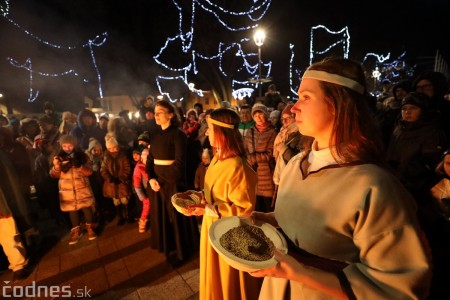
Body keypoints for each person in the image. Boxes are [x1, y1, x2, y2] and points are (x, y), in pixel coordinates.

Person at [247, 57, 432, 299]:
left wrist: (301, 272)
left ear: (337, 104)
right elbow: (317, 223)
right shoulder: (295, 164)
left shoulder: (374, 187)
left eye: (306, 97)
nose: (293, 108)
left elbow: (400, 287)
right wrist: (271, 219)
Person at [179, 107, 262, 300]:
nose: (206, 132)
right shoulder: (217, 158)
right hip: (213, 227)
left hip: (229, 234)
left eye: (210, 128)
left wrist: (208, 208)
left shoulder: (238, 167)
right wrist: (199, 196)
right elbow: (215, 192)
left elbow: (244, 210)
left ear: (222, 133)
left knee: (228, 281)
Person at [145, 100, 199, 266]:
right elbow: (150, 159)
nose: (156, 115)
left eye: (160, 111)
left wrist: (162, 177)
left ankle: (182, 251)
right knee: (162, 216)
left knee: (176, 217)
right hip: (157, 183)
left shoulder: (178, 135)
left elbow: (180, 164)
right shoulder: (153, 135)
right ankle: (168, 246)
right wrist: (151, 178)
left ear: (170, 114)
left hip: (173, 183)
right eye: (155, 112)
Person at [50, 134, 97, 245]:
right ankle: (76, 230)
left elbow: (90, 171)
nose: (67, 148)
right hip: (67, 191)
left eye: (70, 145)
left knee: (86, 208)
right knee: (72, 211)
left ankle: (90, 228)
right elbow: (53, 175)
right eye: (64, 146)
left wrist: (80, 167)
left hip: (82, 188)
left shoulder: (82, 156)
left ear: (74, 145)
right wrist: (56, 167)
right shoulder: (58, 157)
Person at [244, 103, 277, 213]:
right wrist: (248, 158)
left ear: (266, 115)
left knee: (268, 207)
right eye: (255, 115)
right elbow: (245, 149)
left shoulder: (272, 132)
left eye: (260, 114)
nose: (258, 118)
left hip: (267, 173)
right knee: (256, 207)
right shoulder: (250, 132)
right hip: (253, 172)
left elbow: (270, 153)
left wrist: (253, 158)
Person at [101, 134, 133, 225]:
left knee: (125, 199)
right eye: (110, 148)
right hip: (111, 184)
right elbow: (103, 170)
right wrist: (109, 178)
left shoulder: (123, 156)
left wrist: (122, 178)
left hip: (122, 183)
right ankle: (120, 217)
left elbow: (127, 168)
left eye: (115, 147)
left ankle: (127, 215)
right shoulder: (106, 157)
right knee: (116, 201)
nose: (113, 150)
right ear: (108, 149)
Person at [132, 146, 150, 233]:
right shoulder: (138, 168)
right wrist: (141, 196)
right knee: (146, 207)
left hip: (153, 190)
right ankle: (142, 223)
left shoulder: (151, 165)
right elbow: (136, 183)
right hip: (146, 192)